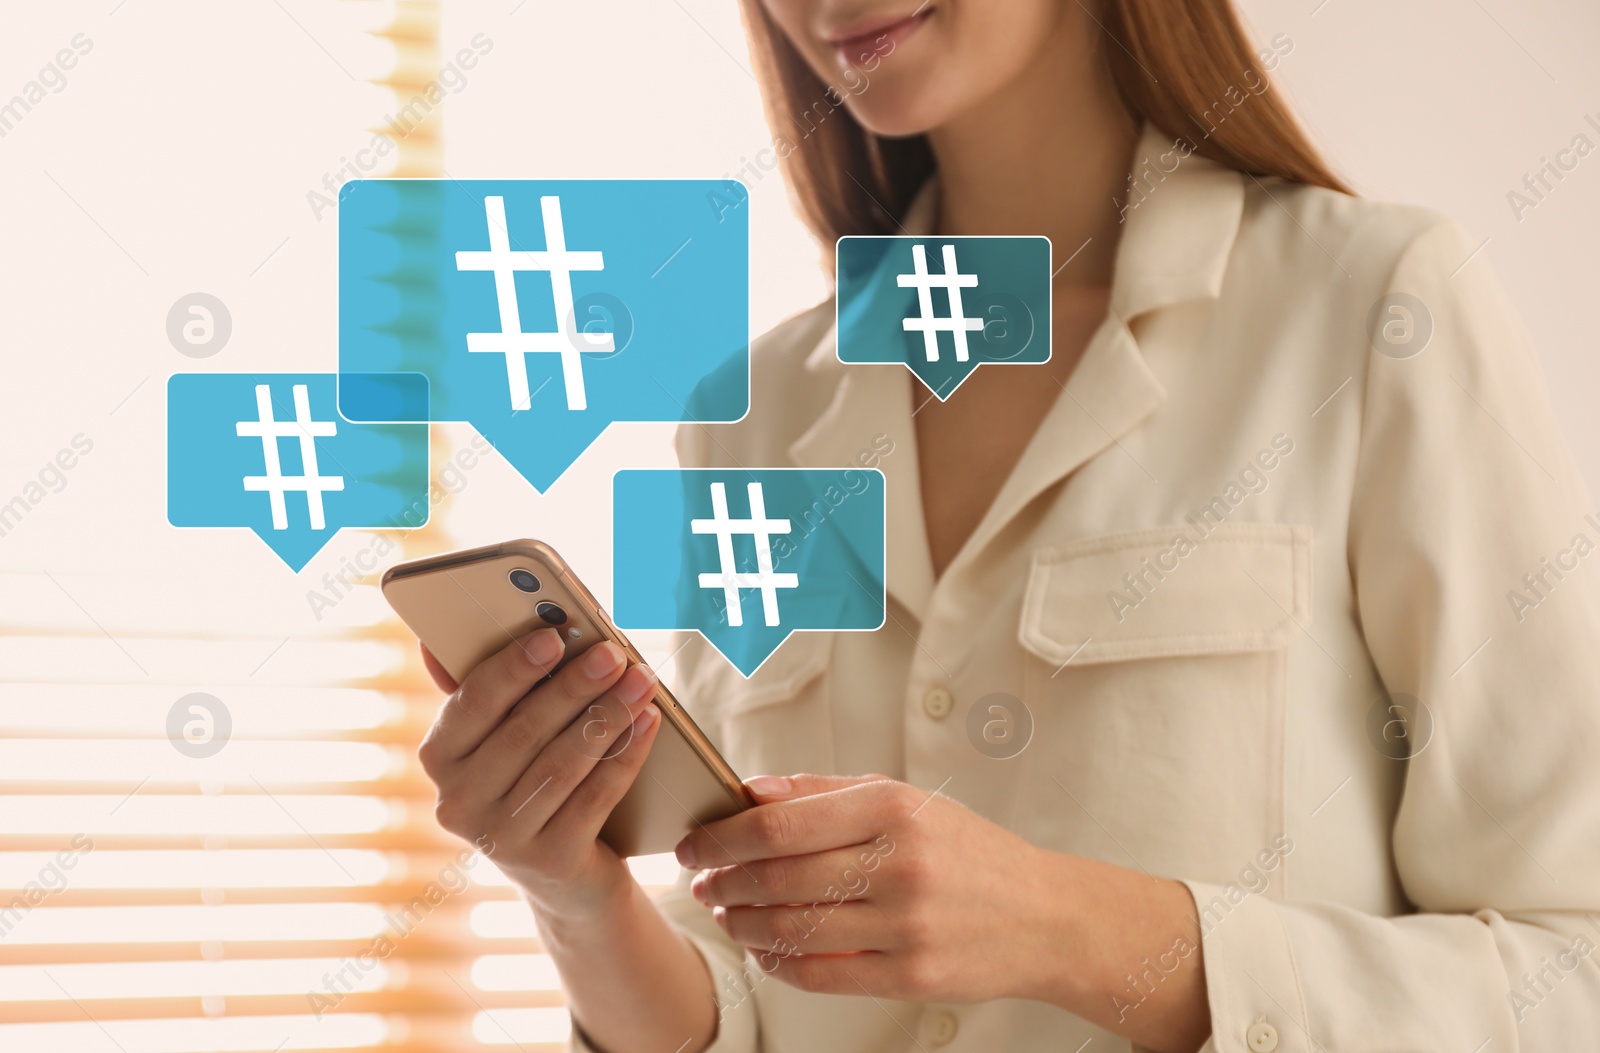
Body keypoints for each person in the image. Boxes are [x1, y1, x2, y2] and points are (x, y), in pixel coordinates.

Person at [416, 1, 1600, 1050]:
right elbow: (744, 998)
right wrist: (575, 894)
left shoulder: (1372, 311)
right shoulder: (751, 413)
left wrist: (1069, 928)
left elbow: (1571, 975)